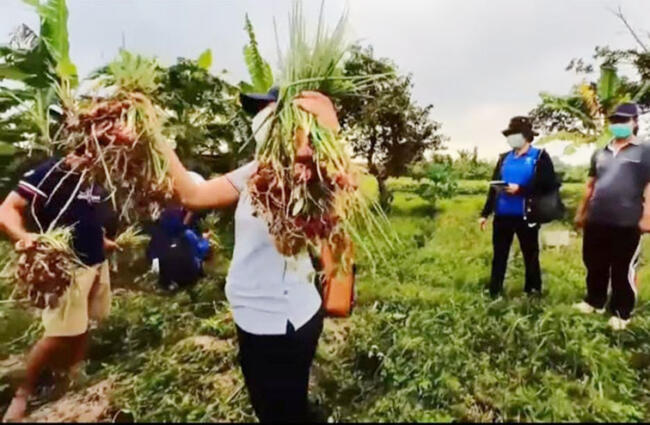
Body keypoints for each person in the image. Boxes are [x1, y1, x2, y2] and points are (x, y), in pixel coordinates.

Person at [159, 88, 340, 423]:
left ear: (292, 117)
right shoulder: (255, 171)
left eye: (268, 108)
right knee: (269, 405)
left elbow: (329, 194)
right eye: (256, 110)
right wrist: (153, 135)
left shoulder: (306, 173)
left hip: (284, 322)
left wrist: (328, 134)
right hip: (249, 315)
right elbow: (193, 194)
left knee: (279, 412)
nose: (260, 116)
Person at [0, 151, 117, 422]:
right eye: (84, 149)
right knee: (57, 333)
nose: (91, 154)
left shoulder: (95, 177)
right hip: (65, 268)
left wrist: (103, 242)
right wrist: (24, 236)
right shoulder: (50, 172)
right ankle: (22, 393)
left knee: (86, 323)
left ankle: (71, 375)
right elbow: (7, 209)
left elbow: (88, 219)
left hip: (96, 264)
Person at [573, 103, 650, 330]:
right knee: (594, 262)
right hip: (597, 218)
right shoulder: (601, 152)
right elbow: (591, 185)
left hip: (627, 220)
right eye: (615, 121)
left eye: (623, 120)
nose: (618, 125)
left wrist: (647, 216)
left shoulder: (645, 151)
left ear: (634, 122)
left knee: (622, 266)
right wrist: (581, 212)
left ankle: (621, 312)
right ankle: (594, 301)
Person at [479, 116, 558, 298]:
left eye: (516, 134)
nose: (512, 138)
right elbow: (493, 187)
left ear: (527, 136)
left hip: (526, 215)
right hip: (502, 215)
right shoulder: (504, 158)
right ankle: (494, 290)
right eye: (510, 134)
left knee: (530, 254)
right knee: (499, 255)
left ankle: (533, 290)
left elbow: (548, 186)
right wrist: (485, 213)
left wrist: (521, 189)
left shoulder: (539, 157)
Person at [147, 171, 210, 292]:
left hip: (163, 267)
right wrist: (205, 240)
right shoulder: (187, 234)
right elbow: (199, 249)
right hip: (181, 268)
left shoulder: (164, 218)